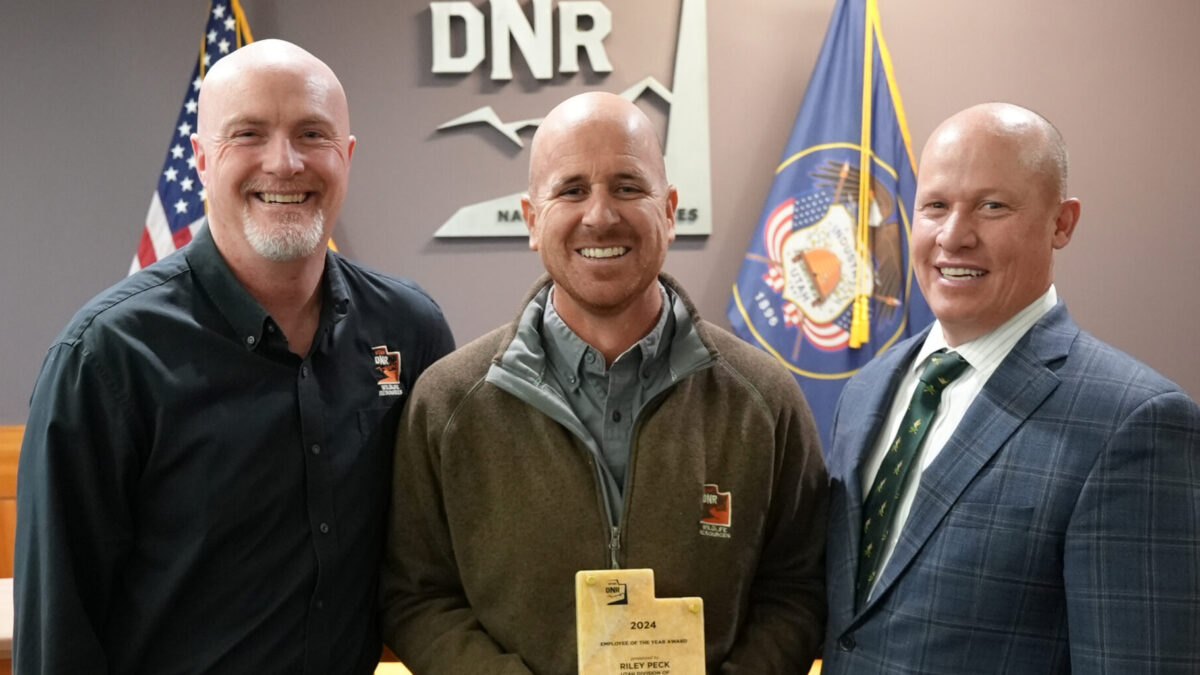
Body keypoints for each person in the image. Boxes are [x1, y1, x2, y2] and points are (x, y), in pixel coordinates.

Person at [14, 40, 454, 674]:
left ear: (346, 156)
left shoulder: (408, 331)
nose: (285, 162)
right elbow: (59, 634)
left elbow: (437, 564)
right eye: (248, 133)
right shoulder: (107, 359)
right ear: (200, 159)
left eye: (312, 133)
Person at [379, 92, 828, 673]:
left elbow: (797, 587)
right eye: (571, 190)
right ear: (532, 220)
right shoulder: (447, 405)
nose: (599, 215)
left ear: (668, 210)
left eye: (627, 186)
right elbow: (417, 594)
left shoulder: (763, 400)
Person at [822, 102, 1200, 673]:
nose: (954, 236)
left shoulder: (1137, 422)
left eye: (992, 206)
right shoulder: (866, 389)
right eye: (935, 206)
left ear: (1062, 222)